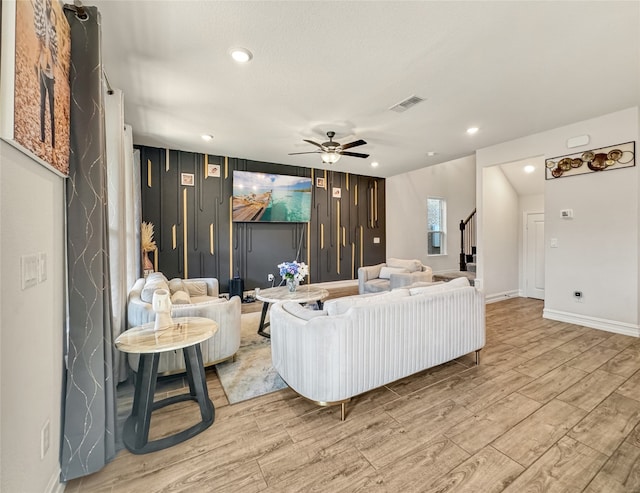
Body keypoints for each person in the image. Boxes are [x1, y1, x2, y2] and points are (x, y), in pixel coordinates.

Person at [33, 0, 58, 154]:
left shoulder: (54, 36)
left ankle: (54, 148)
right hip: (43, 69)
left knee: (52, 112)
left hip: (50, 75)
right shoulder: (42, 30)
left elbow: (55, 57)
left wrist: (53, 71)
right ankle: (43, 143)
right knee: (42, 107)